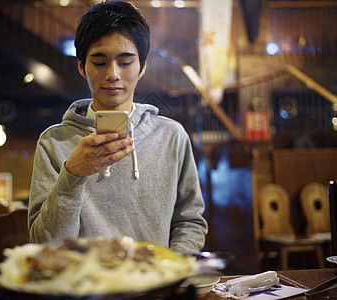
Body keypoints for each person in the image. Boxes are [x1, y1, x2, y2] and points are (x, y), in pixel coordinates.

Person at [28, 0, 208, 253]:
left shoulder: (172, 136)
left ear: (142, 66)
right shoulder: (53, 142)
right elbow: (45, 244)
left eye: (125, 62)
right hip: (85, 289)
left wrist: (172, 267)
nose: (113, 74)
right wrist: (73, 175)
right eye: (100, 63)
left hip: (156, 286)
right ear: (82, 66)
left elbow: (189, 222)